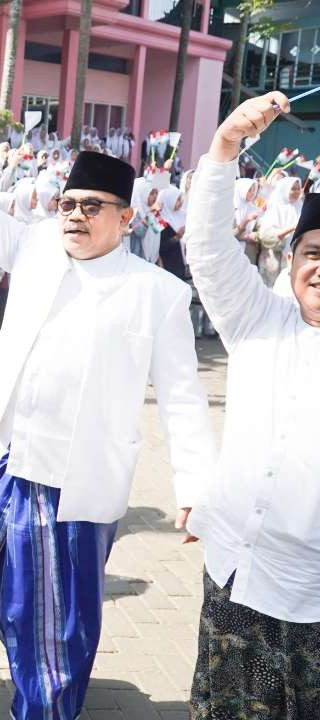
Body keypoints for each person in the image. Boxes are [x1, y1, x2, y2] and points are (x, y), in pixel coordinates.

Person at [0, 79, 217, 720]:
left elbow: (183, 395)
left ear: (126, 219)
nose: (74, 215)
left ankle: (44, 705)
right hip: (9, 462)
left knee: (64, 622)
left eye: (92, 206)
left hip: (80, 483)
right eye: (68, 202)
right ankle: (35, 674)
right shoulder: (40, 246)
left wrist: (196, 488)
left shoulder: (156, 293)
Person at [181, 91, 320, 720]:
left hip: (310, 600)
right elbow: (208, 253)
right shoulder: (259, 321)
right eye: (313, 254)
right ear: (291, 262)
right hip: (234, 574)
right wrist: (224, 147)